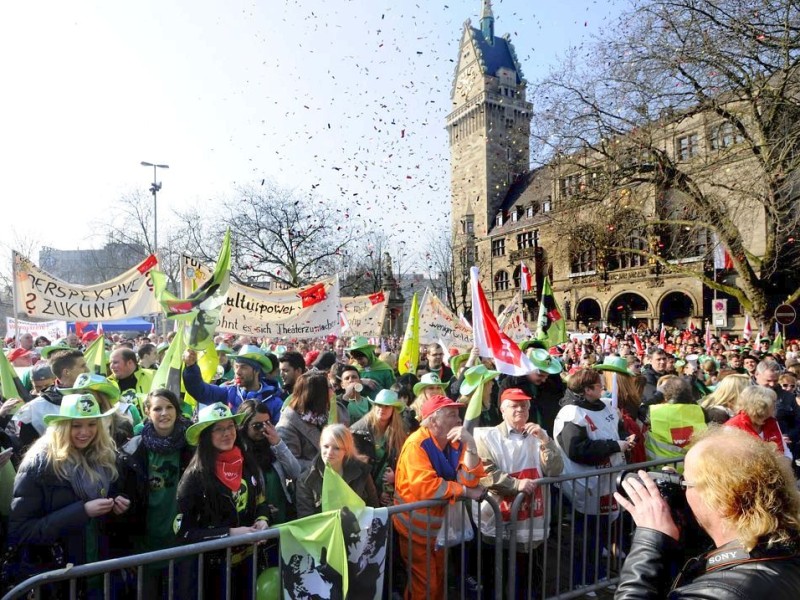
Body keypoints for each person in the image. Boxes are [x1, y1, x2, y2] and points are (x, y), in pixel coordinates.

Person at [614, 427, 800, 599]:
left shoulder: (717, 592)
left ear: (721, 499)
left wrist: (649, 543)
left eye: (685, 482)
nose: (681, 490)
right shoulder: (786, 551)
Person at [8, 394, 130, 589]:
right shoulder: (39, 464)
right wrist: (82, 512)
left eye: (91, 424)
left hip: (101, 573)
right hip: (60, 580)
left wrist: (118, 503)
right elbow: (21, 532)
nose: (85, 432)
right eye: (76, 426)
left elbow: (112, 507)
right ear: (62, 426)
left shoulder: (105, 455)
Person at [392, 394, 485, 600]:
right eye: (452, 415)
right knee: (426, 586)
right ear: (433, 420)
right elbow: (426, 487)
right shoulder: (416, 444)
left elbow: (469, 479)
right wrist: (465, 492)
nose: (459, 419)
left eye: (458, 414)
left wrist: (470, 444)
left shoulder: (455, 442)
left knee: (438, 581)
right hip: (415, 532)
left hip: (439, 529)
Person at [474, 387, 563, 597]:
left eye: (524, 405)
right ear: (502, 410)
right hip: (498, 522)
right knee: (496, 580)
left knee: (529, 579)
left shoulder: (540, 435)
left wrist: (545, 442)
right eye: (514, 405)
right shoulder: (488, 437)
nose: (520, 410)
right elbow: (486, 473)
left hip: (532, 525)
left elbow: (555, 469)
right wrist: (516, 485)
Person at [175, 402, 269, 598]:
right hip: (211, 572)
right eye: (219, 429)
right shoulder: (194, 477)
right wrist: (230, 533)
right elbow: (185, 532)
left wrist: (263, 521)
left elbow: (261, 502)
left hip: (249, 564)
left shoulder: (247, 462)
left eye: (230, 427)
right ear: (206, 435)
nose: (227, 433)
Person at [553, 368, 634, 589]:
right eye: (599, 385)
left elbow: (617, 432)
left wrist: (627, 439)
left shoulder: (607, 407)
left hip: (608, 481)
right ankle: (583, 581)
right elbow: (576, 450)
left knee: (603, 533)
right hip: (585, 485)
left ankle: (599, 577)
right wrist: (614, 446)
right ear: (587, 390)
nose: (603, 388)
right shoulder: (571, 414)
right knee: (586, 537)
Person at [115, 389, 194, 597]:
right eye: (157, 408)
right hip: (145, 545)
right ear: (147, 412)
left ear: (177, 411)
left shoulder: (192, 446)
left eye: (169, 407)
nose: (164, 413)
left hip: (183, 544)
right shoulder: (131, 451)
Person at [182, 345, 285, 423]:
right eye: (236, 366)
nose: (238, 372)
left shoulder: (274, 401)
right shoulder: (228, 391)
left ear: (256, 371)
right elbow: (201, 391)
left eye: (243, 367)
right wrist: (191, 366)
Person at [236, 400, 301, 524]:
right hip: (257, 521)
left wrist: (278, 443)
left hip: (283, 514)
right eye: (257, 426)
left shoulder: (273, 447)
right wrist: (262, 511)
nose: (263, 429)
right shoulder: (238, 454)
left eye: (267, 423)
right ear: (244, 426)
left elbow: (295, 472)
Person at [295, 424, 379, 517]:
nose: (329, 452)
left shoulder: (362, 471)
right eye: (326, 446)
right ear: (320, 445)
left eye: (337, 448)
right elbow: (307, 520)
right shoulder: (306, 480)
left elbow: (374, 509)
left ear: (346, 450)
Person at [14, 349, 89, 451]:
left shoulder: (98, 397)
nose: (88, 370)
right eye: (82, 366)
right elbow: (25, 448)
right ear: (66, 372)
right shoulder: (34, 408)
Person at [276, 372, 346, 472]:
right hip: (308, 483)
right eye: (329, 388)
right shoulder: (287, 426)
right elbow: (291, 464)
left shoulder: (321, 415)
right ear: (316, 394)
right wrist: (325, 464)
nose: (333, 391)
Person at [351, 389, 408, 505]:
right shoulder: (358, 431)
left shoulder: (400, 432)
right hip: (365, 493)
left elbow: (404, 462)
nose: (382, 409)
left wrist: (396, 477)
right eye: (379, 405)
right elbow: (356, 469)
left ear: (393, 410)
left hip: (391, 491)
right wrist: (377, 493)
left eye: (387, 406)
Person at [643, 377, 707, 470]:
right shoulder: (699, 410)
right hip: (690, 467)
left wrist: (657, 396)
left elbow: (640, 408)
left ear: (665, 395)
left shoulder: (653, 411)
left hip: (660, 468)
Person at [725, 385, 793, 461]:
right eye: (773, 403)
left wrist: (786, 463)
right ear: (760, 407)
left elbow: (785, 450)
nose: (776, 405)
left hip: (777, 469)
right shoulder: (732, 427)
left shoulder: (772, 421)